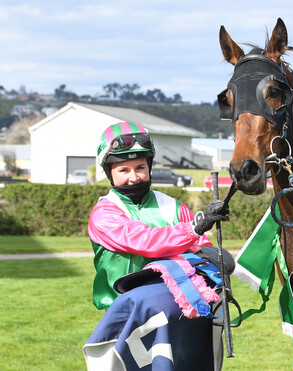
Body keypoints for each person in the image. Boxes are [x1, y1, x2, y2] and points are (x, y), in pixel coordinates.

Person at [83, 122, 229, 370]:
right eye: (124, 170)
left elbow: (200, 249)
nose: (133, 177)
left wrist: (214, 254)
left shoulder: (173, 207)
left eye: (140, 167)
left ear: (149, 166)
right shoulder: (104, 213)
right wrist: (194, 228)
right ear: (109, 173)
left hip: (179, 317)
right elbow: (144, 240)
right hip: (125, 321)